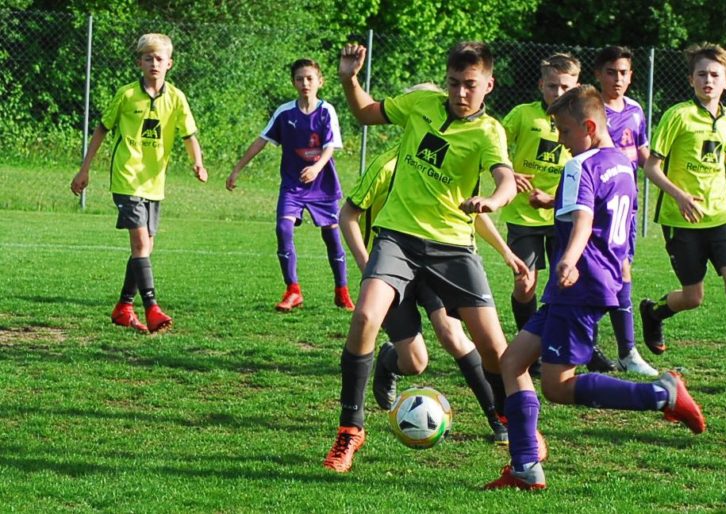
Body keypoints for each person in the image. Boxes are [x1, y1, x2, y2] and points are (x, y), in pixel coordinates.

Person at [485, 85, 706, 491]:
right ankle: (525, 468)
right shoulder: (623, 164)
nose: (562, 142)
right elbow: (609, 215)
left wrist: (567, 259)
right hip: (598, 279)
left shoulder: (579, 165)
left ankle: (661, 395)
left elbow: (585, 221)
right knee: (513, 361)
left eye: (565, 132)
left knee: (558, 386)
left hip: (577, 284)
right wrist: (553, 203)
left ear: (588, 126)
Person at [324, 41, 518, 473]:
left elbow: (505, 179)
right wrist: (348, 78)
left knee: (492, 345)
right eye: (454, 83)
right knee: (365, 317)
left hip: (452, 247)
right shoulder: (420, 104)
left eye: (470, 85)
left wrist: (492, 200)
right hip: (398, 238)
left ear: (489, 83)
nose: (460, 93)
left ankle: (513, 423)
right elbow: (365, 112)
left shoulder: (489, 131)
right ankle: (349, 431)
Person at [339, 134, 533, 445]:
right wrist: (368, 267)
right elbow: (347, 214)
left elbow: (468, 213)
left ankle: (498, 420)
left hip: (435, 265)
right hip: (394, 267)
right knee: (415, 363)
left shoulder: (446, 158)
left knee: (453, 335)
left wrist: (504, 251)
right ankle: (390, 360)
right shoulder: (388, 165)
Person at [639, 43, 726, 393]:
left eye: (715, 74)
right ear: (691, 80)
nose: (708, 80)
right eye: (701, 74)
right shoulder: (677, 115)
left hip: (720, 215)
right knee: (694, 297)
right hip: (681, 220)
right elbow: (651, 166)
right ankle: (654, 312)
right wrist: (679, 194)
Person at [70, 33, 208, 334]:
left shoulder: (176, 98)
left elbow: (189, 135)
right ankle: (152, 307)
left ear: (169, 63)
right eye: (148, 58)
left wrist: (197, 162)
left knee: (144, 249)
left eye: (159, 59)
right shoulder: (127, 95)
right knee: (141, 244)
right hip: (126, 178)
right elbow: (101, 130)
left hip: (154, 183)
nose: (154, 63)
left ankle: (123, 307)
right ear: (139, 62)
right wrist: (84, 170)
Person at [500, 53, 613, 373]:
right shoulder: (522, 115)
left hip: (565, 215)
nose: (558, 92)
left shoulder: (581, 124)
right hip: (524, 216)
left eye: (565, 86)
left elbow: (591, 172)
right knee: (526, 284)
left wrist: (554, 199)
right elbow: (494, 146)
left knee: (574, 283)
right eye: (552, 85)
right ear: (541, 84)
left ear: (576, 87)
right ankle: (531, 349)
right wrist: (508, 172)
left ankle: (587, 348)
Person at [226, 58, 354, 313]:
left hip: (323, 185)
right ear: (293, 82)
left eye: (309, 78)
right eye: (299, 79)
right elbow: (262, 140)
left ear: (320, 81)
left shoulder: (326, 110)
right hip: (293, 186)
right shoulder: (285, 112)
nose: (305, 83)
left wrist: (317, 167)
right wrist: (237, 169)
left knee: (332, 237)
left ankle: (342, 291)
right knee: (283, 230)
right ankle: (293, 290)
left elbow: (330, 146)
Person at [591, 45, 658, 376]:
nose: (618, 78)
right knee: (604, 275)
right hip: (597, 207)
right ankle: (620, 350)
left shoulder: (634, 109)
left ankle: (623, 352)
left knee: (619, 273)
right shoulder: (590, 109)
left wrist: (670, 181)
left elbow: (642, 153)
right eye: (611, 72)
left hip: (625, 209)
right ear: (598, 74)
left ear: (632, 76)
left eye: (624, 72)